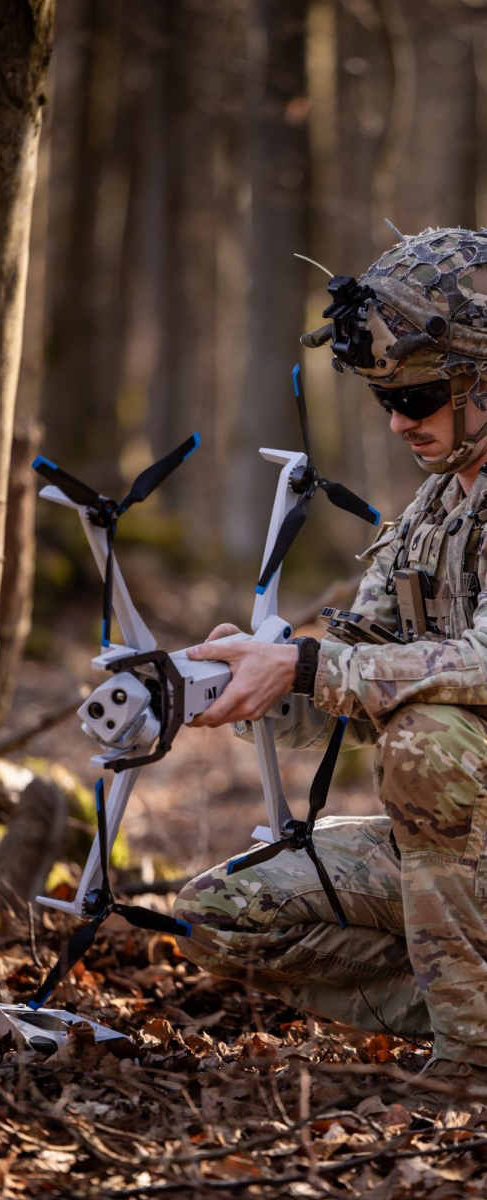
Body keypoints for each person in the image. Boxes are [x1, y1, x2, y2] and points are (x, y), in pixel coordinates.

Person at [173, 226, 487, 1111]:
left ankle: (471, 1062)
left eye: (420, 395)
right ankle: (465, 1005)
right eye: (385, 397)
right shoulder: (430, 509)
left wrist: (309, 665)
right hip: (461, 854)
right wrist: (239, 678)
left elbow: (476, 665)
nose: (397, 423)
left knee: (429, 742)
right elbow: (342, 684)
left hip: (469, 818)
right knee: (217, 917)